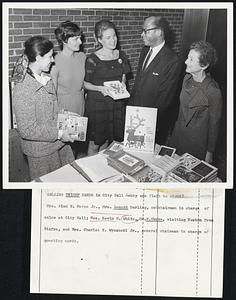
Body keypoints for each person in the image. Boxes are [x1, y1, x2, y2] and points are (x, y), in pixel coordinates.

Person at [12, 36, 75, 180]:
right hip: (41, 152)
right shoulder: (23, 88)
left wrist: (63, 114)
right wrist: (59, 133)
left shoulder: (46, 78)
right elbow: (27, 130)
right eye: (50, 56)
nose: (53, 60)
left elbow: (53, 106)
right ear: (38, 58)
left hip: (60, 144)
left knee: (69, 180)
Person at [129, 16, 182, 144]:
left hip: (152, 121)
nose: (142, 35)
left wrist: (148, 123)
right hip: (135, 115)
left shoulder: (173, 61)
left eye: (146, 31)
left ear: (159, 32)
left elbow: (164, 99)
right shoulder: (145, 50)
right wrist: (130, 109)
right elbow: (138, 83)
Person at [168, 41, 222, 163]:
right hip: (178, 137)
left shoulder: (213, 91)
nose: (186, 61)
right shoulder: (186, 79)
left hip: (196, 144)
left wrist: (209, 152)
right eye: (188, 57)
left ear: (204, 65)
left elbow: (214, 125)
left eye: (191, 59)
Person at [84, 19, 131, 156]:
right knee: (95, 143)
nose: (113, 40)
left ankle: (101, 171)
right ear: (99, 39)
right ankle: (90, 174)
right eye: (108, 37)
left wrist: (122, 83)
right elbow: (85, 84)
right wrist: (100, 88)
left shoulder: (121, 55)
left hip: (116, 104)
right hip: (98, 105)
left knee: (108, 141)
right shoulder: (92, 59)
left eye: (114, 36)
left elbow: (123, 75)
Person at [52, 20, 86, 116]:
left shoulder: (82, 57)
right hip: (63, 107)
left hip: (80, 102)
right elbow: (52, 93)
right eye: (75, 39)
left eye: (80, 38)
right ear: (64, 40)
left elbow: (85, 84)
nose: (80, 42)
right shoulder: (54, 61)